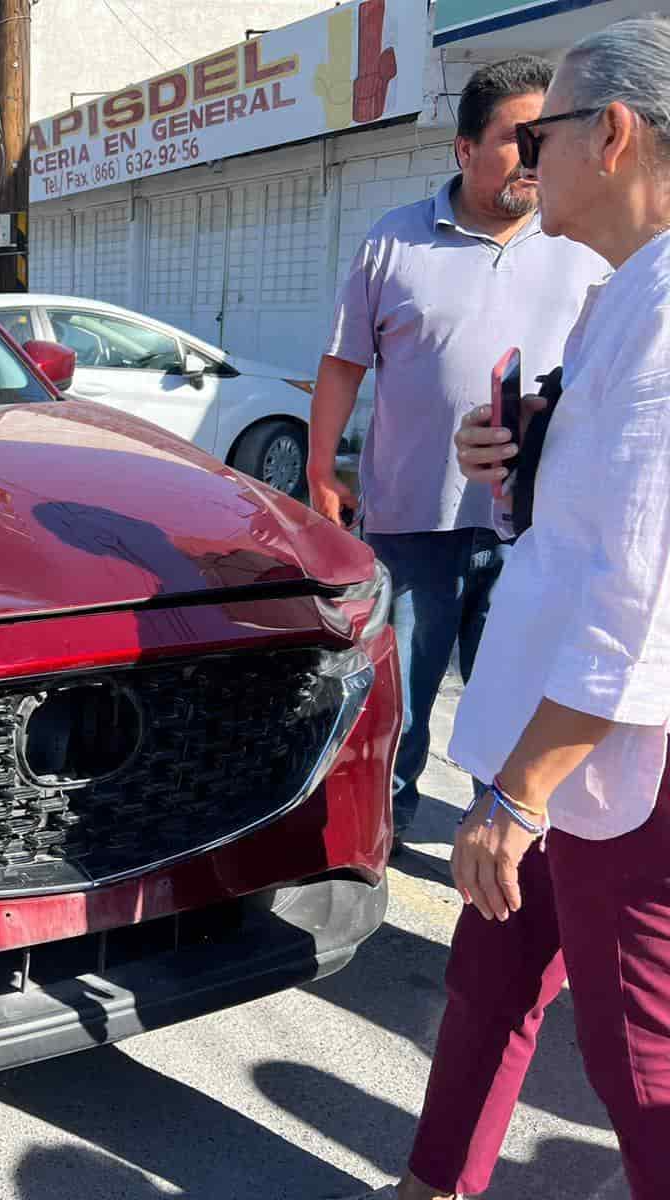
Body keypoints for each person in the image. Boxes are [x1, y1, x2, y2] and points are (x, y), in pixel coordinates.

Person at [354, 17, 670, 1198]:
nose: (531, 160)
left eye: (547, 134)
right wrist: (517, 463)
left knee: (635, 1046)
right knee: (488, 981)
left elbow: (638, 599)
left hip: (600, 752)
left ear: (617, 134)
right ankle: (437, 1181)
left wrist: (520, 793)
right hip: (540, 726)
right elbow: (587, 518)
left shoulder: (660, 318)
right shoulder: (618, 294)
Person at [308, 57, 605, 840]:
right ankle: (388, 824)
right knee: (401, 693)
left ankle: (495, 829)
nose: (538, 158)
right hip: (413, 524)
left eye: (548, 137)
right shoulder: (393, 242)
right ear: (464, 149)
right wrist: (319, 473)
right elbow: (343, 365)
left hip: (535, 527)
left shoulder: (577, 241)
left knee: (508, 694)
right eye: (519, 139)